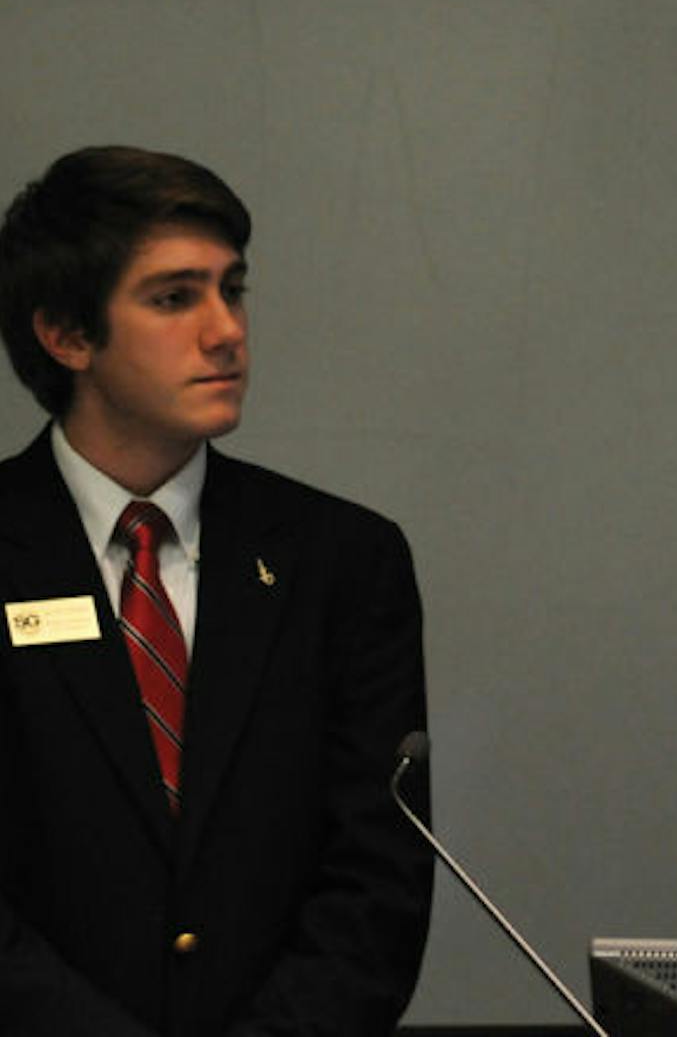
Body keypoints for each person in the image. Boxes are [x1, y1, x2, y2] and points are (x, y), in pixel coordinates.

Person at [0, 146, 432, 1035]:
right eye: (173, 297)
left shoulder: (343, 560)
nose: (226, 329)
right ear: (66, 334)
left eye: (231, 289)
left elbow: (376, 886)